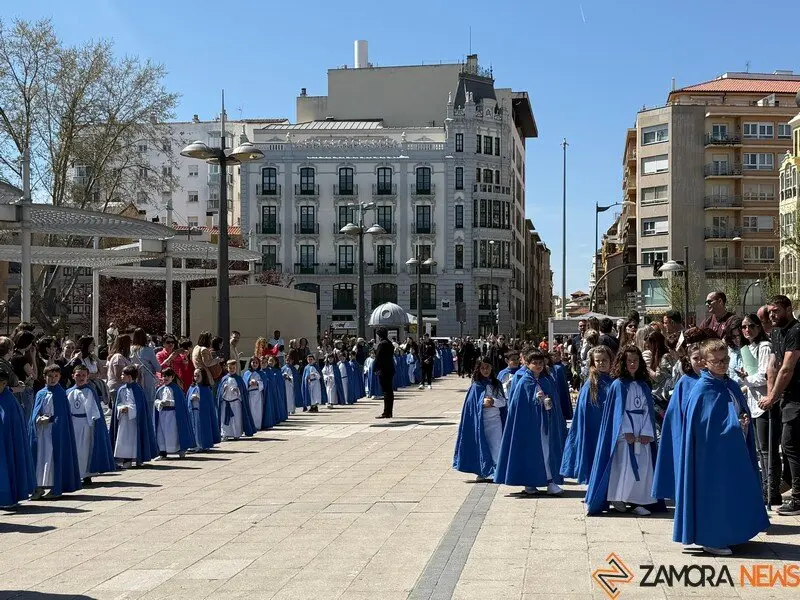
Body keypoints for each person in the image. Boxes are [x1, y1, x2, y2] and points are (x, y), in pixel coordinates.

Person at [673, 339, 770, 555]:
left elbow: (736, 411)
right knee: (714, 494)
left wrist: (742, 421)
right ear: (705, 363)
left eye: (725, 359)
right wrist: (734, 425)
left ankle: (732, 532)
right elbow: (706, 428)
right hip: (710, 457)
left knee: (732, 492)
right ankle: (712, 538)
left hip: (732, 452)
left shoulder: (731, 384)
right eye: (715, 361)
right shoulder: (702, 390)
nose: (722, 364)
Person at [585, 346, 663, 516]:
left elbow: (647, 410)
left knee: (643, 466)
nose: (633, 364)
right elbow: (618, 412)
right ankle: (620, 497)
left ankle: (638, 500)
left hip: (642, 431)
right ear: (623, 363)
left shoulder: (643, 385)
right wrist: (625, 431)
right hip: (625, 434)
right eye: (629, 361)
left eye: (636, 360)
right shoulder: (618, 385)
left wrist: (646, 431)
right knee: (624, 466)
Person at [494, 349, 566, 496]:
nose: (538, 366)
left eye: (541, 363)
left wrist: (548, 401)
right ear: (527, 364)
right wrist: (535, 399)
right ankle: (530, 483)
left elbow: (554, 402)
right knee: (529, 453)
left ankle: (550, 481)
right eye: (535, 363)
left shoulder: (546, 380)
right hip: (529, 426)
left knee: (546, 451)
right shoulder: (523, 382)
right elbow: (518, 405)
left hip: (545, 425)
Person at [734, 313, 780, 505]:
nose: (747, 330)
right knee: (759, 450)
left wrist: (745, 378)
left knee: (767, 450)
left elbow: (763, 376)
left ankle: (772, 490)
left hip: (763, 403)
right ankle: (764, 487)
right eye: (744, 327)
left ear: (759, 327)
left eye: (751, 326)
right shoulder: (747, 348)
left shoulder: (765, 346)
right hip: (752, 404)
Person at [761, 295, 800, 515]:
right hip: (786, 398)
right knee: (787, 446)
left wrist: (773, 397)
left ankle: (797, 498)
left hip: (797, 397)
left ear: (788, 308)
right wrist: (770, 397)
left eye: (776, 310)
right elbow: (773, 367)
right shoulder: (776, 332)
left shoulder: (796, 331)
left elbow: (787, 368)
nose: (772, 315)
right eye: (770, 311)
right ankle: (789, 488)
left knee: (791, 445)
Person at [652, 343, 704, 501]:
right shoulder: (685, 382)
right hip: (689, 435)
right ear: (688, 360)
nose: (700, 362)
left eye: (703, 358)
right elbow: (675, 414)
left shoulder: (716, 380)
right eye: (696, 358)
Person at [560, 345, 614, 484]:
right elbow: (584, 411)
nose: (601, 363)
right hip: (594, 427)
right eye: (598, 360)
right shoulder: (591, 384)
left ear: (611, 361)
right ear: (593, 362)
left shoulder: (614, 381)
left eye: (604, 360)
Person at [29, 364, 81, 500]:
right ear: (44, 377)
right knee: (40, 458)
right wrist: (37, 419)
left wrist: (51, 419)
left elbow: (62, 416)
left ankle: (55, 488)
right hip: (41, 433)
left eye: (56, 376)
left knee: (52, 458)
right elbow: (35, 412)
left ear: (59, 377)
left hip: (54, 432)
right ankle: (38, 487)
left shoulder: (61, 393)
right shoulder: (40, 393)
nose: (52, 379)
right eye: (50, 376)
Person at [453, 357, 506, 481]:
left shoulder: (496, 384)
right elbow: (471, 404)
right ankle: (483, 471)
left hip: (495, 420)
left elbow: (503, 402)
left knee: (496, 445)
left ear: (491, 368)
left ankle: (496, 470)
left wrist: (493, 402)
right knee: (482, 445)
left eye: (487, 367)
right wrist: (482, 403)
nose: (485, 370)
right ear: (478, 369)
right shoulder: (476, 385)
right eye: (482, 368)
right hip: (480, 421)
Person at [67, 364, 109, 485]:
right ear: (73, 376)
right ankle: (75, 473)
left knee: (86, 450)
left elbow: (95, 410)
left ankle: (86, 475)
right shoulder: (69, 392)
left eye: (83, 375)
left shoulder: (90, 391)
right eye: (78, 375)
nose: (81, 378)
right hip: (74, 423)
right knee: (75, 449)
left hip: (86, 424)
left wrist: (93, 423)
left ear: (87, 376)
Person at [0, 366, 36, 507]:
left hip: (7, 443)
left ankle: (8, 497)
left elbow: (14, 423)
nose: (1, 386)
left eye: (3, 383)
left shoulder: (10, 401)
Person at [111, 365, 158, 468]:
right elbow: (117, 404)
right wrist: (120, 408)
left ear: (130, 376)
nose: (121, 376)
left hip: (134, 421)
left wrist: (130, 409)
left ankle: (137, 458)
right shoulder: (121, 389)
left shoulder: (138, 390)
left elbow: (140, 406)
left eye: (124, 374)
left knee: (133, 439)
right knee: (123, 439)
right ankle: (125, 459)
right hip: (123, 420)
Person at [153, 368, 196, 460]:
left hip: (172, 415)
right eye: (164, 376)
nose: (165, 378)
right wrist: (159, 403)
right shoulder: (160, 389)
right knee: (161, 434)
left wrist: (170, 403)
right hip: (162, 415)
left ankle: (180, 450)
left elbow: (180, 402)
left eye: (167, 376)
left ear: (172, 377)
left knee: (174, 433)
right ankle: (162, 453)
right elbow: (156, 400)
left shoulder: (176, 389)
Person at [217, 360, 257, 440]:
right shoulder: (224, 379)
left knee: (236, 419)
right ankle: (225, 434)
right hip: (226, 403)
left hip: (236, 403)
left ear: (236, 368)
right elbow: (219, 394)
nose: (232, 369)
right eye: (230, 368)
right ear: (227, 368)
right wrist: (223, 389)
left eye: (233, 368)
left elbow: (243, 392)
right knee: (224, 420)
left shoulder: (239, 379)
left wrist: (237, 390)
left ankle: (236, 434)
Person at [186, 369, 219, 451]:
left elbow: (208, 403)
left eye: (198, 376)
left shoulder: (206, 389)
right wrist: (191, 399)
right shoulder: (191, 387)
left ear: (203, 376)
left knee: (201, 429)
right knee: (194, 429)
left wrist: (199, 399)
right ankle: (194, 445)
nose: (196, 378)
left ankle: (202, 445)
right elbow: (187, 399)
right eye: (195, 375)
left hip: (202, 412)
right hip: (193, 412)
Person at [131, 328, 161, 418]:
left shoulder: (130, 350)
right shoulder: (148, 350)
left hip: (135, 379)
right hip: (147, 380)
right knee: (149, 406)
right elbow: (158, 368)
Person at [374, 328, 396, 418]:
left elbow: (378, 358)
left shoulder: (382, 344)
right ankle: (389, 411)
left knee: (386, 391)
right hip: (390, 369)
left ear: (379, 336)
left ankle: (386, 412)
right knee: (389, 391)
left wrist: (375, 368)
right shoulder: (390, 344)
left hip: (383, 370)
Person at [106, 334, 132, 406]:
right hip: (117, 388)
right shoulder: (118, 358)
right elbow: (119, 375)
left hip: (121, 387)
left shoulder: (123, 357)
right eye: (130, 342)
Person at [242, 356, 266, 428]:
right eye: (253, 362)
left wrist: (258, 383)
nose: (255, 364)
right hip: (250, 394)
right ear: (250, 363)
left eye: (256, 362)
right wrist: (249, 383)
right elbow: (243, 384)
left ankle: (258, 425)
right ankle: (251, 425)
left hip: (258, 394)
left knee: (258, 411)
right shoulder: (246, 373)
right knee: (251, 410)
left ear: (259, 364)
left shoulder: (261, 373)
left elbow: (265, 383)